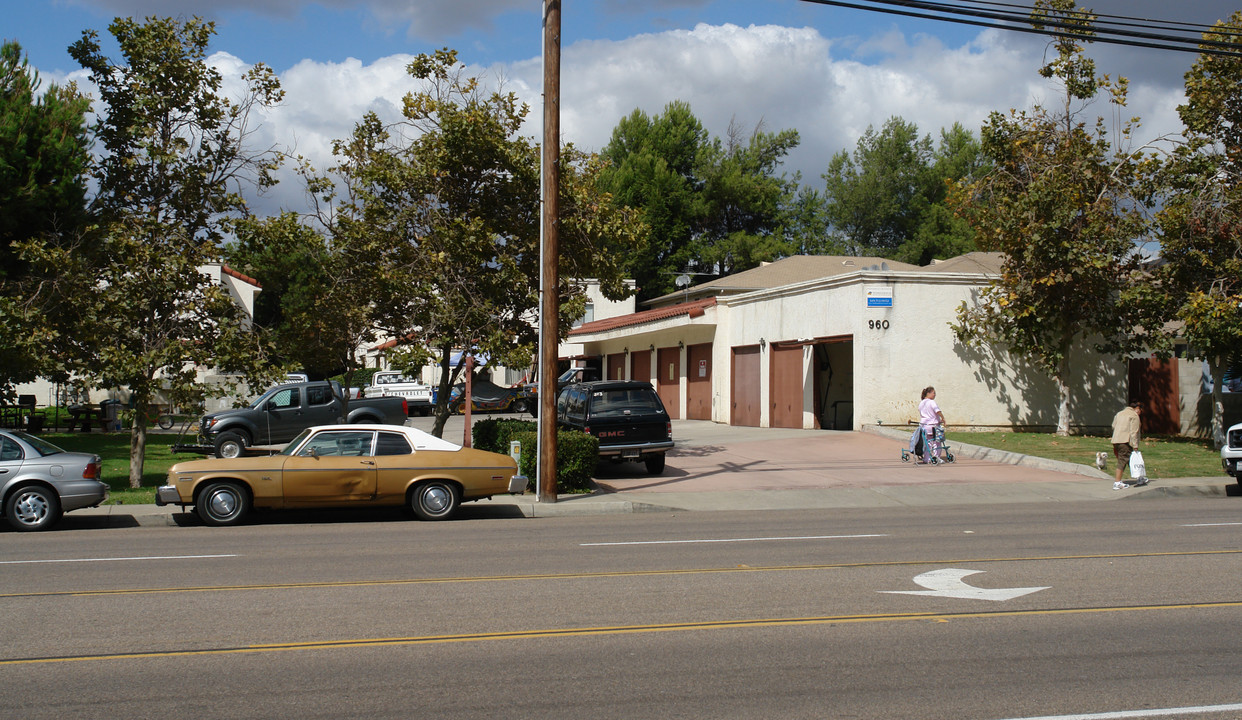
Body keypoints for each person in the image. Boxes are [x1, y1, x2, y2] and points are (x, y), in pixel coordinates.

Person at [1111, 400, 1143, 489]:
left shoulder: (1120, 413)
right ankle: (1117, 482)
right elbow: (1134, 432)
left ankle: (1140, 477)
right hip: (1125, 441)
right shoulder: (1134, 415)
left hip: (1116, 440)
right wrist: (1135, 445)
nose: (1140, 412)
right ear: (1137, 408)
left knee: (1130, 460)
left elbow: (1113, 425)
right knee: (1122, 461)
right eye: (1140, 410)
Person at [918, 386, 945, 463]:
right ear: (928, 393)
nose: (934, 395)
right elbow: (937, 411)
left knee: (928, 442)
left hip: (924, 426)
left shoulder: (921, 403)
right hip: (933, 425)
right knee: (937, 441)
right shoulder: (931, 402)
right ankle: (937, 457)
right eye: (933, 393)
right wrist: (943, 418)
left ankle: (927, 458)